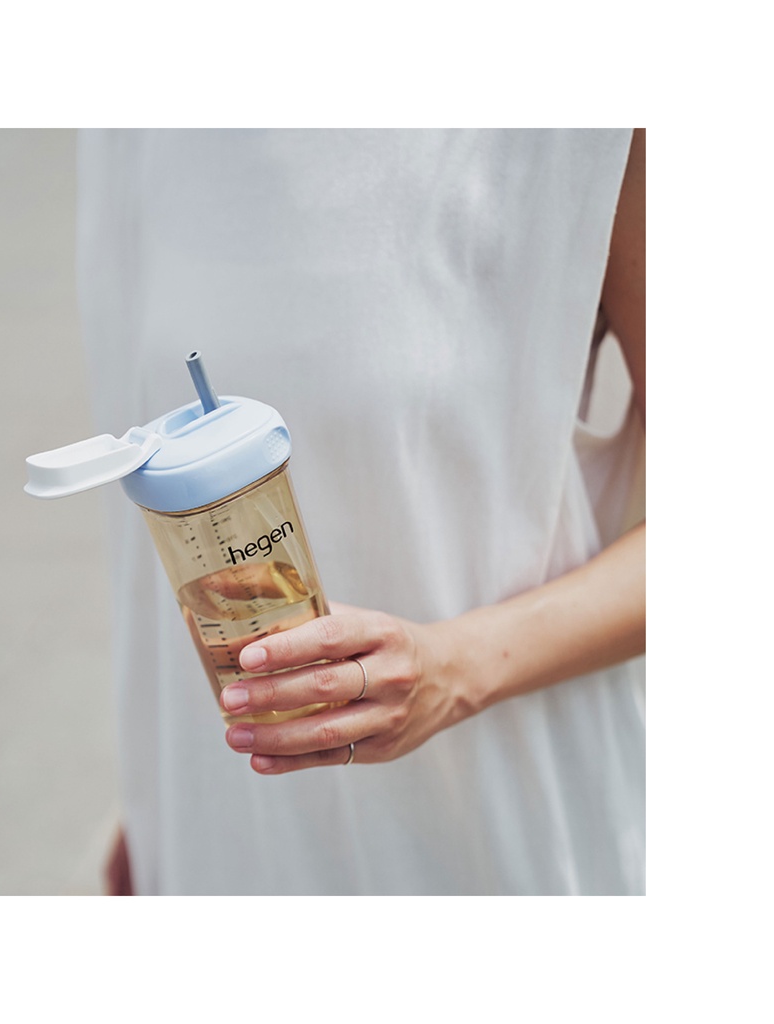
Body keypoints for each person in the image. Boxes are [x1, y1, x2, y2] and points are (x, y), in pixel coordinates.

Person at [77, 128, 645, 895]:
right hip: (221, 835)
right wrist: (157, 801)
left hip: (487, 837)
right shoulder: (133, 132)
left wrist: (454, 667)